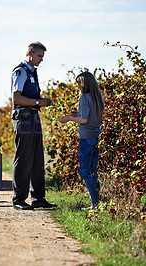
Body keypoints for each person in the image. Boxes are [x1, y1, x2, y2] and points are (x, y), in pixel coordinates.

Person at [11, 42, 55, 210]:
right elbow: (16, 98)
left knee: (37, 158)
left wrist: (40, 103)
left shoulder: (32, 72)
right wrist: (39, 102)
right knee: (23, 158)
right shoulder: (20, 71)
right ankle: (19, 199)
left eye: (42, 57)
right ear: (30, 53)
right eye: (39, 56)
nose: (41, 60)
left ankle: (38, 198)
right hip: (23, 118)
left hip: (33, 117)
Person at [59, 71, 105, 210]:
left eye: (79, 84)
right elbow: (89, 117)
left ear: (84, 84)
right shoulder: (98, 96)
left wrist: (68, 118)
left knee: (85, 172)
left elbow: (84, 120)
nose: (78, 87)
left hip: (86, 138)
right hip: (96, 136)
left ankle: (95, 204)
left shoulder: (84, 97)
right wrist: (77, 115)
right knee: (93, 172)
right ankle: (98, 204)